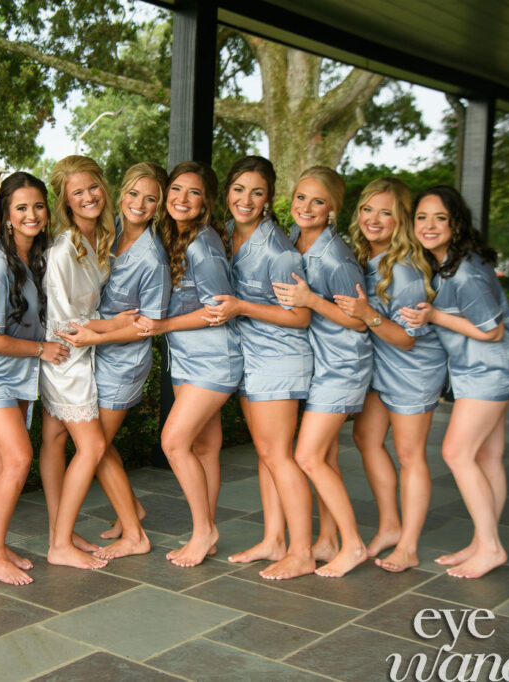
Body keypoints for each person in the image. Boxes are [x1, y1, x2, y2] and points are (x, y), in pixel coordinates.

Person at [399, 185, 509, 579]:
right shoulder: (448, 262)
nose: (428, 225)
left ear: (456, 224)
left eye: (440, 218)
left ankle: (490, 547)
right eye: (421, 217)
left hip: (489, 369)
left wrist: (434, 316)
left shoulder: (465, 271)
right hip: (486, 367)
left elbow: (491, 330)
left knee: (456, 452)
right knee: (487, 455)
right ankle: (482, 540)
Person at [202, 156, 316, 579]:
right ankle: (274, 540)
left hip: (279, 358)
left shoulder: (278, 251)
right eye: (239, 189)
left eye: (257, 192)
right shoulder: (224, 235)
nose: (245, 200)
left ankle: (302, 552)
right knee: (266, 454)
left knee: (278, 455)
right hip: (249, 357)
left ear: (269, 198)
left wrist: (242, 307)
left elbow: (300, 316)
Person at [57, 162, 170, 559]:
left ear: (159, 206)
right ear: (121, 194)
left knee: (96, 446)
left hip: (123, 361)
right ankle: (131, 508)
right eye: (134, 194)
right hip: (95, 353)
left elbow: (148, 326)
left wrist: (95, 334)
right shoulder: (111, 232)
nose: (139, 204)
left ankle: (136, 536)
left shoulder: (153, 259)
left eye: (151, 199)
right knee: (99, 444)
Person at [0, 172, 68, 584]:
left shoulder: (34, 257)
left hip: (18, 374)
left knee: (3, 459)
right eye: (21, 208)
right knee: (20, 458)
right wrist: (43, 350)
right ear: (7, 214)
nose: (32, 215)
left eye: (38, 206)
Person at [333, 178, 445, 573]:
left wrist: (367, 314)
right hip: (379, 365)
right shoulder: (362, 256)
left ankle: (408, 545)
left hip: (413, 370)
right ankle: (390, 526)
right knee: (366, 439)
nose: (374, 219)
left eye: (387, 213)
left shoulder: (407, 271)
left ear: (401, 221)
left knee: (411, 455)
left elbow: (406, 339)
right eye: (368, 209)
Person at [132, 161, 241, 567]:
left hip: (213, 359)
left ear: (206, 201)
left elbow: (218, 310)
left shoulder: (202, 246)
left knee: (174, 442)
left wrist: (162, 325)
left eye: (193, 192)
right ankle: (206, 532)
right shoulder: (173, 236)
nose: (182, 199)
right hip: (187, 357)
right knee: (204, 447)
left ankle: (204, 531)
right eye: (176, 189)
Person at [273, 166, 372, 577]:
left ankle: (354, 544)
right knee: (326, 455)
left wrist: (311, 300)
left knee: (307, 455)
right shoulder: (293, 239)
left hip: (343, 366)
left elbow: (359, 322)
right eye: (301, 197)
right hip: (318, 363)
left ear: (333, 208)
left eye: (318, 201)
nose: (307, 207)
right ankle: (328, 539)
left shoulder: (336, 257)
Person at [39, 155, 132, 570]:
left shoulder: (104, 238)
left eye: (93, 187)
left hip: (87, 353)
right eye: (77, 192)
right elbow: (62, 323)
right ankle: (60, 545)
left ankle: (59, 530)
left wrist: (106, 328)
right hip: (64, 358)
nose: (89, 196)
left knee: (55, 438)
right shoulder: (63, 250)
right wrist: (114, 325)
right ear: (66, 201)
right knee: (92, 446)